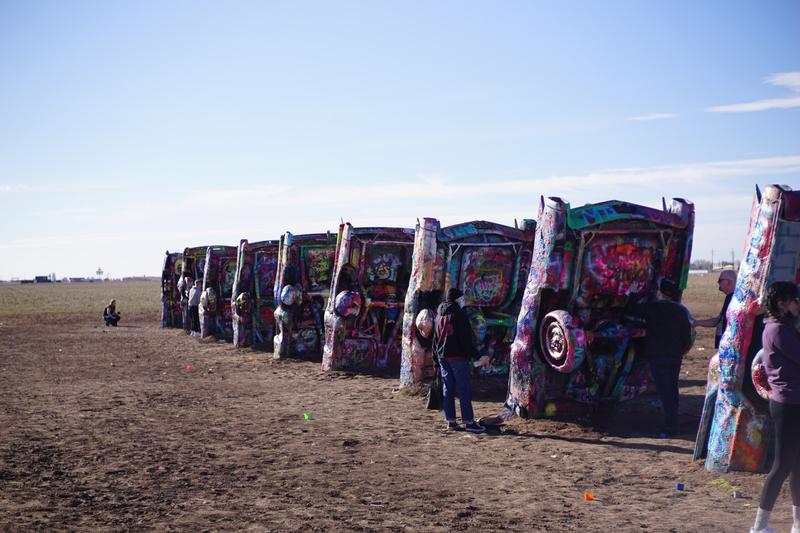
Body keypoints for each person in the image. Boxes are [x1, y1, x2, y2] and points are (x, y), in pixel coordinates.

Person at [750, 281, 800, 533]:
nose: (797, 305)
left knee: (798, 465)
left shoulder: (783, 328)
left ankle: (797, 524)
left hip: (794, 401)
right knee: (781, 465)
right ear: (781, 303)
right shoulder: (778, 330)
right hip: (788, 403)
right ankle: (759, 527)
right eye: (794, 300)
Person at [628, 279, 694, 437]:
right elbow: (687, 336)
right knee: (672, 389)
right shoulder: (681, 311)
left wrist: (631, 292)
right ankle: (673, 423)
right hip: (675, 355)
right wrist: (680, 351)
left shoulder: (654, 308)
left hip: (658, 356)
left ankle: (670, 428)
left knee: (665, 392)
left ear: (661, 293)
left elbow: (631, 310)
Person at [433, 288, 490, 433]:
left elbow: (435, 339)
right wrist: (478, 356)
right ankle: (469, 422)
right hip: (457, 357)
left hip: (442, 357)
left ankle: (451, 421)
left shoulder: (438, 314)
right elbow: (465, 340)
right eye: (461, 298)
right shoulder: (459, 314)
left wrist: (435, 359)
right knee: (463, 389)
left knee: (448, 388)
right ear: (457, 299)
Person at [694, 269, 736, 348]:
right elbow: (719, 320)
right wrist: (697, 323)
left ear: (729, 282)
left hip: (729, 347)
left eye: (720, 280)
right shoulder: (729, 298)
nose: (718, 283)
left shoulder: (734, 299)